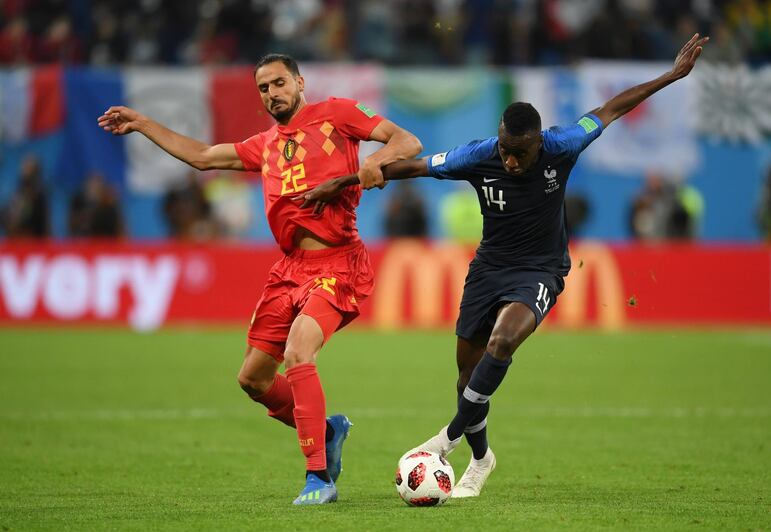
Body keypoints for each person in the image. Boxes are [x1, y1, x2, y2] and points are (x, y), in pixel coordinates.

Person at [302, 34, 710, 498]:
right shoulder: (480, 155)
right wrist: (350, 179)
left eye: (520, 151)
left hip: (540, 270)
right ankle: (481, 460)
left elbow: (612, 108)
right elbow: (415, 167)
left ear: (538, 142)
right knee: (465, 373)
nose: (510, 160)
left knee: (503, 340)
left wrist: (671, 76)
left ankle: (447, 439)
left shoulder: (563, 145)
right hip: (489, 268)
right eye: (505, 149)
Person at [97, 53, 421, 505]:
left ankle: (319, 478)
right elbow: (204, 156)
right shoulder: (265, 145)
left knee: (299, 352)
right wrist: (143, 123)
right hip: (288, 271)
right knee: (252, 380)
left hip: (338, 265)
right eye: (264, 89)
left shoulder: (338, 114)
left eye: (279, 83)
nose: (272, 94)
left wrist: (377, 161)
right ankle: (327, 430)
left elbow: (408, 141)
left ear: (299, 82)